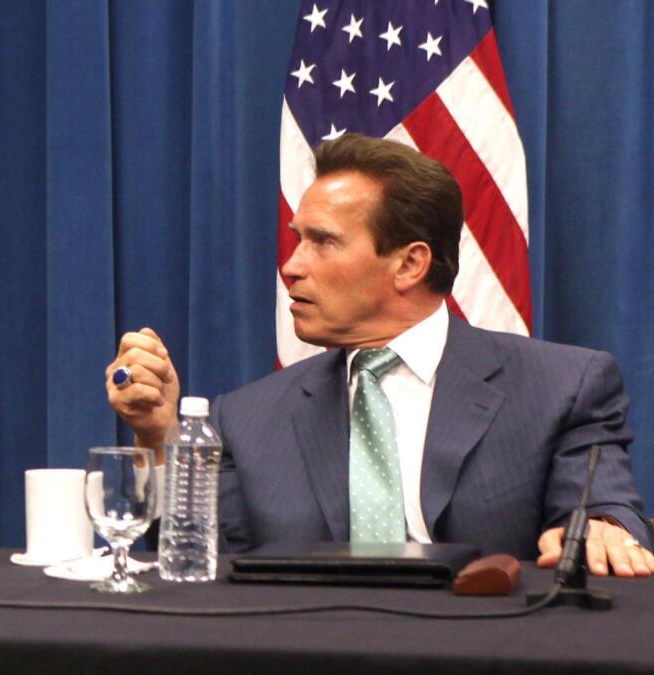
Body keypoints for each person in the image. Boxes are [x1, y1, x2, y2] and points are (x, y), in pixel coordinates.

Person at [107, 134, 654, 577]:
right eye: (297, 240)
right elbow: (203, 573)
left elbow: (604, 509)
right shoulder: (245, 418)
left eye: (322, 242)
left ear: (410, 264)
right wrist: (159, 438)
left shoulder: (563, 386)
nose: (291, 266)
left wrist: (607, 525)